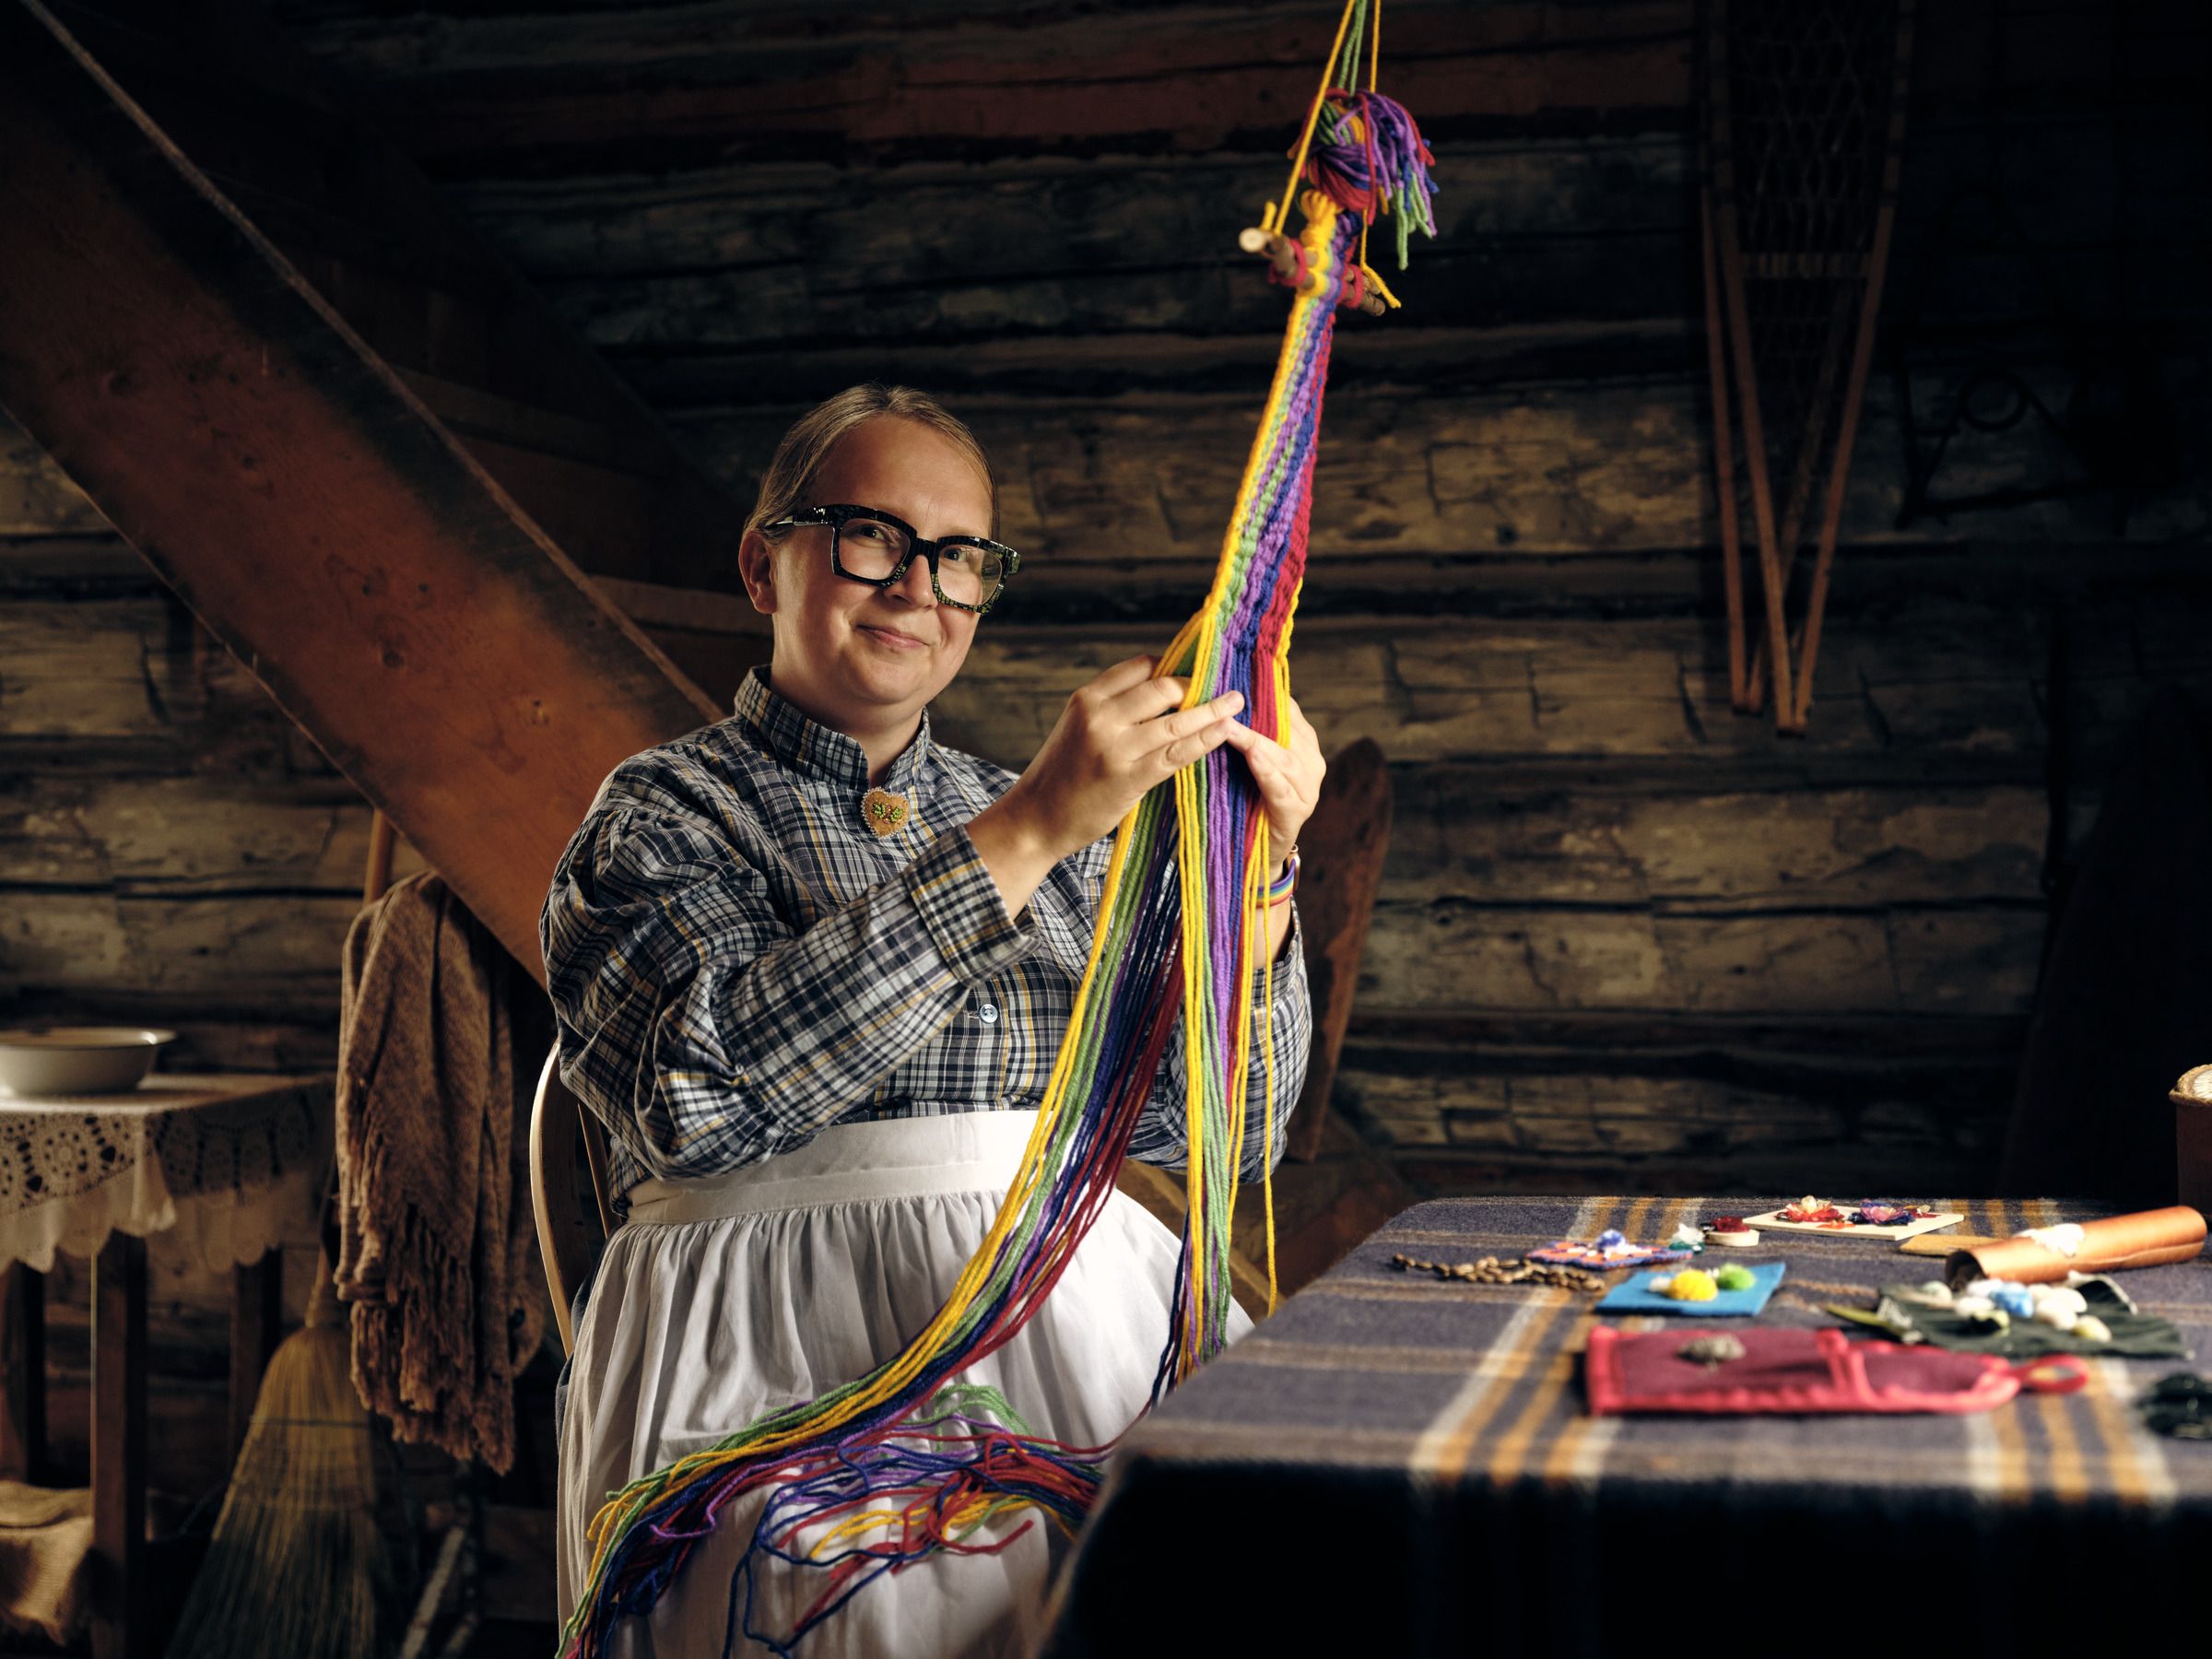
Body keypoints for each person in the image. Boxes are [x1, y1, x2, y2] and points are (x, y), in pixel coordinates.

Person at [541, 384, 1321, 1657]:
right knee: (859, 1610)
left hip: (1067, 1317)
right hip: (772, 1354)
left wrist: (1267, 877)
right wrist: (1023, 837)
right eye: (870, 536)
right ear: (762, 563)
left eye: (960, 558)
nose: (918, 587)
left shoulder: (1035, 809)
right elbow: (700, 1097)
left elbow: (1216, 1130)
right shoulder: (663, 813)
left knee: (1244, 1546)